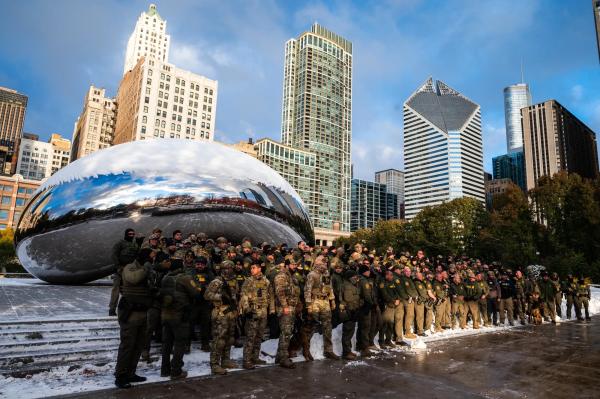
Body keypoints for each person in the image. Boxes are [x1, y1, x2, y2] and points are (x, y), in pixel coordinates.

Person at [114, 248, 153, 389]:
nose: (151, 259)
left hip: (143, 311)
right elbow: (134, 279)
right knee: (127, 345)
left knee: (138, 345)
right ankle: (120, 376)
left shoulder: (147, 268)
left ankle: (131, 373)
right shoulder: (130, 267)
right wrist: (146, 269)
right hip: (130, 312)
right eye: (150, 256)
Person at [159, 256, 204, 380]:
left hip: (165, 315)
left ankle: (165, 370)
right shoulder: (184, 278)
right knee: (180, 343)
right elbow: (196, 293)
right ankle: (176, 371)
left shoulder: (165, 278)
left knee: (167, 344)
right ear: (180, 266)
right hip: (180, 316)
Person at [204, 261, 240, 375]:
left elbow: (236, 295)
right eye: (226, 268)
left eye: (230, 268)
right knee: (219, 340)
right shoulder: (217, 281)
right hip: (220, 313)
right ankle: (214, 364)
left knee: (229, 338)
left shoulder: (234, 281)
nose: (228, 270)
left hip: (231, 313)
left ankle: (225, 360)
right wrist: (220, 297)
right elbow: (206, 295)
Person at [239, 262, 275, 369]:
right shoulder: (248, 281)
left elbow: (271, 295)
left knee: (259, 336)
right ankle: (247, 360)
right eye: (251, 268)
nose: (251, 270)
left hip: (263, 311)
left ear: (259, 269)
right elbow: (243, 296)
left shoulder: (266, 281)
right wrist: (247, 309)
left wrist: (272, 310)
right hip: (253, 311)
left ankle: (255, 357)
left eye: (253, 268)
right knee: (250, 336)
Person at [303, 255, 340, 360]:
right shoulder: (312, 274)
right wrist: (308, 305)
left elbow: (329, 288)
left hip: (325, 301)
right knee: (311, 327)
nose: (325, 264)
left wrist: (332, 300)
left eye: (326, 263)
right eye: (323, 262)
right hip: (315, 302)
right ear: (317, 263)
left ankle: (328, 350)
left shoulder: (326, 274)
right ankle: (306, 351)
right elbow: (307, 290)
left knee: (327, 327)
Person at [274, 257, 301, 368]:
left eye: (296, 265)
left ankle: (280, 356)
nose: (295, 267)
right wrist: (285, 306)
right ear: (286, 265)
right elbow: (280, 293)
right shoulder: (281, 276)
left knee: (288, 333)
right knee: (285, 333)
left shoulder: (292, 277)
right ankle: (283, 358)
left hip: (292, 307)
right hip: (285, 308)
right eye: (293, 265)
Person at [109, 228, 143, 316]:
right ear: (126, 234)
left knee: (128, 290)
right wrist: (118, 266)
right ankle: (112, 308)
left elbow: (138, 255)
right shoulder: (120, 243)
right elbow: (114, 255)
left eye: (133, 234)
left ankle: (128, 308)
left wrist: (139, 243)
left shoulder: (135, 244)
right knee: (116, 289)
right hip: (120, 269)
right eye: (130, 234)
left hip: (130, 270)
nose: (131, 235)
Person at [338, 269, 361, 360]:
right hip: (349, 311)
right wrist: (358, 298)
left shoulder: (352, 285)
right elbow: (349, 298)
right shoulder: (347, 286)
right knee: (347, 333)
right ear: (349, 277)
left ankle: (348, 350)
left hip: (353, 310)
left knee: (350, 332)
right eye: (354, 277)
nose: (356, 278)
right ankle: (346, 352)